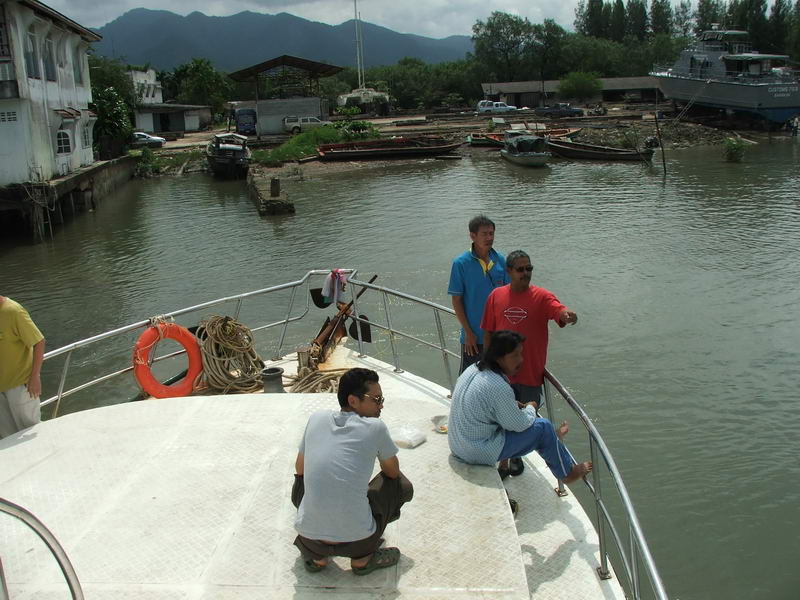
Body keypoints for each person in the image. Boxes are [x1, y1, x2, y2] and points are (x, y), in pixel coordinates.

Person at [292, 368, 413, 575]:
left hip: (309, 539)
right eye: (376, 399)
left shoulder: (316, 418)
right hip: (359, 542)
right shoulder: (376, 427)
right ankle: (362, 560)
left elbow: (299, 468)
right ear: (353, 401)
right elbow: (392, 472)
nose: (381, 405)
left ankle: (317, 558)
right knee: (400, 484)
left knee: (302, 480)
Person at [448, 330, 592, 490]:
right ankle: (567, 473)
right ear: (498, 357)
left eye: (521, 354)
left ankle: (551, 440)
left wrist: (515, 405)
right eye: (515, 356)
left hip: (457, 444)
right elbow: (519, 425)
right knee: (543, 427)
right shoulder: (497, 386)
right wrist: (531, 407)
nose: (521, 360)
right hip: (476, 451)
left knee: (517, 416)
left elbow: (492, 405)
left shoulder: (473, 369)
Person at [481, 250, 577, 410]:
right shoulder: (495, 296)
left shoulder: (542, 296)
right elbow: (488, 332)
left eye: (529, 268)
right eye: (520, 269)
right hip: (501, 376)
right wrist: (488, 365)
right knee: (499, 420)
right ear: (509, 271)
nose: (525, 273)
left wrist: (566, 315)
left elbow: (558, 310)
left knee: (528, 424)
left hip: (530, 378)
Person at [448, 215, 509, 374]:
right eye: (485, 234)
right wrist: (468, 332)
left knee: (498, 379)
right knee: (470, 380)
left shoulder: (500, 260)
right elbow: (456, 300)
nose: (490, 238)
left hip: (498, 337)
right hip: (474, 338)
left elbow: (509, 296)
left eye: (492, 233)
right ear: (472, 236)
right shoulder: (460, 263)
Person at [0, 295, 45, 439]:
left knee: (30, 432)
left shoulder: (13, 311)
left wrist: (35, 377)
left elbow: (39, 342)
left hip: (20, 387)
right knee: (6, 438)